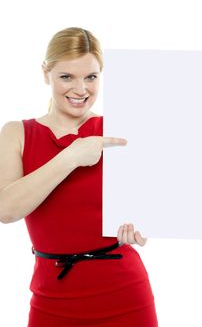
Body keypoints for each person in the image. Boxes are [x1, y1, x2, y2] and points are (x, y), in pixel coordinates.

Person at [0, 27, 158, 326]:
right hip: (51, 299)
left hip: (124, 293)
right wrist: (71, 157)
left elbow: (155, 201)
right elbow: (5, 210)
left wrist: (141, 225)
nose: (81, 89)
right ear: (45, 73)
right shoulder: (16, 133)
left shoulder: (119, 130)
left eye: (91, 77)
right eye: (66, 77)